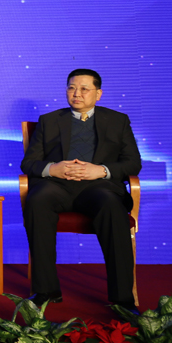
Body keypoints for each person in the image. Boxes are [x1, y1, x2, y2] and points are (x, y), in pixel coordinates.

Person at [21, 68, 141, 314]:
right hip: (56, 186)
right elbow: (28, 164)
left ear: (98, 94)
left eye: (84, 89)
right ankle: (46, 291)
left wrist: (101, 171)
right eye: (71, 88)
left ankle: (122, 300)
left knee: (111, 205)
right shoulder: (49, 120)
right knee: (37, 200)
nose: (76, 94)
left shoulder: (118, 121)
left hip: (98, 187)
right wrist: (52, 168)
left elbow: (133, 163)